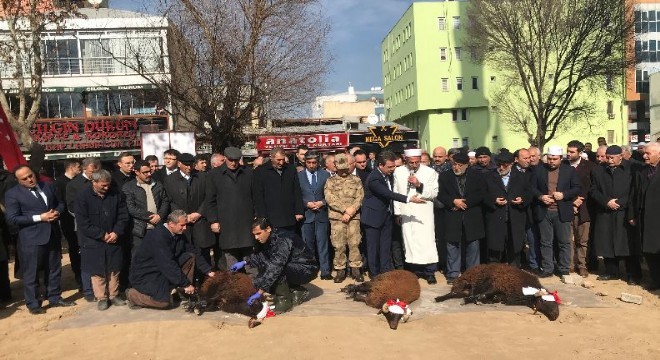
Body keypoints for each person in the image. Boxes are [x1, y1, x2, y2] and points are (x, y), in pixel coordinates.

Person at [5, 165, 75, 314]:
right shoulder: (13, 194)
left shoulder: (47, 186)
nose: (30, 179)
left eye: (31, 175)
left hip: (53, 234)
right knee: (32, 272)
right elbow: (12, 218)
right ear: (18, 180)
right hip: (31, 238)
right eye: (24, 179)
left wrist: (56, 211)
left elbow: (60, 203)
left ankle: (55, 298)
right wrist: (40, 218)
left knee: (54, 269)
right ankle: (33, 303)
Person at [127, 210, 215, 309]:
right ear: (171, 224)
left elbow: (193, 251)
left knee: (190, 256)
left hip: (162, 269)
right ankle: (132, 295)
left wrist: (208, 271)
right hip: (146, 274)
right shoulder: (158, 237)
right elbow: (167, 264)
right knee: (163, 302)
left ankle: (180, 291)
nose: (185, 228)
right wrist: (185, 283)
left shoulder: (178, 234)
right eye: (182, 225)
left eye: (185, 225)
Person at [230, 218, 318, 314]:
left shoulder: (283, 239)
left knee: (275, 269)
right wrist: (245, 262)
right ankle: (297, 292)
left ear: (268, 229)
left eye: (258, 233)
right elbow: (262, 256)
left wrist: (260, 291)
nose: (256, 237)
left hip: (307, 268)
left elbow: (276, 266)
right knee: (267, 269)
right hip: (294, 266)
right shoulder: (268, 238)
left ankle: (284, 301)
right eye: (254, 234)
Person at [360, 151, 425, 278]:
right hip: (373, 218)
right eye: (389, 167)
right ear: (380, 165)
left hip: (386, 217)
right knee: (373, 248)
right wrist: (409, 199)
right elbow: (388, 194)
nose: (392, 169)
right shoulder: (374, 178)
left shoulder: (388, 175)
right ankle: (374, 274)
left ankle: (385, 272)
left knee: (385, 247)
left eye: (393, 166)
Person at [75, 169, 129, 311]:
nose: (106, 188)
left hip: (114, 238)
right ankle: (102, 298)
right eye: (103, 185)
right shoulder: (82, 196)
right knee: (97, 270)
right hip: (93, 241)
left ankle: (114, 295)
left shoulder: (117, 194)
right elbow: (83, 222)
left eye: (108, 185)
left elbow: (123, 216)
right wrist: (101, 235)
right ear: (94, 182)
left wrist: (116, 232)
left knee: (114, 268)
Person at [590, 145, 641, 284]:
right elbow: (593, 190)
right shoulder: (598, 170)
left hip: (624, 212)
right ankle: (611, 271)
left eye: (612, 158)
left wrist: (620, 202)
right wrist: (606, 201)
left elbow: (634, 190)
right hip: (606, 211)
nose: (609, 160)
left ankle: (633, 274)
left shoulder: (632, 169)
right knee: (607, 243)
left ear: (621, 156)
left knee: (627, 244)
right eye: (608, 157)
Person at [530, 145, 582, 277]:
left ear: (560, 158)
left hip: (561, 211)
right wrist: (541, 197)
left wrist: (564, 195)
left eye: (555, 159)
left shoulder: (569, 170)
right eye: (549, 158)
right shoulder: (539, 170)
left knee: (564, 241)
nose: (551, 161)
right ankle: (548, 268)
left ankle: (564, 267)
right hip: (544, 211)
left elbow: (577, 188)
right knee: (545, 242)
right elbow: (532, 188)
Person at [438, 152, 486, 284]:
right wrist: (453, 201)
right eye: (454, 164)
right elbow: (441, 195)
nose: (456, 167)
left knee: (473, 245)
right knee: (452, 245)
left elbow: (481, 194)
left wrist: (463, 203)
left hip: (472, 215)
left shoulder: (477, 175)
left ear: (467, 164)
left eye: (460, 165)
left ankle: (473, 273)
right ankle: (453, 274)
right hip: (452, 214)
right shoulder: (445, 176)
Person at [393, 149, 439, 284]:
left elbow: (433, 193)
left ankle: (430, 272)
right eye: (411, 162)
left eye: (417, 162)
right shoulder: (399, 171)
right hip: (407, 211)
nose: (414, 165)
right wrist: (398, 212)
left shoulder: (430, 172)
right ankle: (413, 272)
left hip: (424, 213)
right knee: (410, 242)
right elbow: (396, 192)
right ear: (405, 160)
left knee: (427, 243)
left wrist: (419, 185)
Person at [205, 147, 255, 269]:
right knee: (232, 264)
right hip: (227, 224)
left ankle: (253, 287)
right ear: (225, 159)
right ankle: (234, 286)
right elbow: (210, 200)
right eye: (231, 160)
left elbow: (256, 196)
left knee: (251, 263)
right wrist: (213, 221)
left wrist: (257, 216)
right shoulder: (214, 175)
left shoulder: (248, 172)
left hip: (246, 223)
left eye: (236, 160)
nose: (233, 163)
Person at [163, 154, 215, 265]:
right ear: (179, 164)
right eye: (186, 165)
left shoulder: (203, 177)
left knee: (203, 253)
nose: (188, 168)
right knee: (185, 253)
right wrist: (184, 216)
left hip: (200, 221)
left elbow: (209, 197)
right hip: (181, 223)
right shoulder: (169, 180)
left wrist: (199, 212)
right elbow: (170, 200)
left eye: (191, 165)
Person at [484, 151, 530, 266]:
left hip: (514, 218)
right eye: (499, 164)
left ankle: (514, 275)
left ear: (511, 164)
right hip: (495, 217)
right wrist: (493, 200)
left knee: (514, 248)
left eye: (504, 165)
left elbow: (530, 193)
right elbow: (482, 195)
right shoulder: (488, 176)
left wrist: (522, 199)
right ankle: (494, 276)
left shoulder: (521, 177)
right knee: (494, 250)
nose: (501, 167)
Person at [324, 153, 365, 283]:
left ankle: (355, 268)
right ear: (335, 166)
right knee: (338, 244)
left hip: (353, 217)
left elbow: (360, 196)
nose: (343, 171)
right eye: (340, 168)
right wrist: (344, 209)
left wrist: (351, 210)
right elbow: (330, 198)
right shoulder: (330, 181)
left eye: (345, 168)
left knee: (354, 243)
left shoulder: (356, 180)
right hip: (337, 218)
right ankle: (340, 270)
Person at [66, 157, 100, 302]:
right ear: (85, 168)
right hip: (83, 227)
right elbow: (71, 207)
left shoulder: (102, 181)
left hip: (103, 226)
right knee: (87, 259)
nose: (96, 173)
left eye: (98, 169)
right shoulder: (74, 184)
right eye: (93, 170)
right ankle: (88, 290)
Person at [123, 160, 170, 256]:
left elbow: (165, 201)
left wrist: (160, 215)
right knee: (139, 257)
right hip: (139, 230)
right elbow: (131, 208)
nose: (149, 174)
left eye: (150, 171)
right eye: (145, 172)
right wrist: (150, 217)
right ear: (136, 172)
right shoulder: (129, 187)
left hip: (158, 227)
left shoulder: (158, 185)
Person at [297, 151, 331, 280]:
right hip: (307, 215)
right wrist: (306, 204)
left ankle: (325, 271)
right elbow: (296, 195)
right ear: (305, 162)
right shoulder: (299, 176)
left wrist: (322, 202)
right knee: (308, 244)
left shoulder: (325, 175)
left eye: (314, 163)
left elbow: (330, 194)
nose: (311, 165)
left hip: (321, 214)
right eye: (309, 163)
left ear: (318, 162)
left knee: (323, 244)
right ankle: (310, 270)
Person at [253, 147, 304, 232]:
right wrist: (262, 216)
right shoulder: (260, 171)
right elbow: (258, 195)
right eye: (278, 160)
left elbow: (296, 191)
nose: (281, 162)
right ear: (271, 158)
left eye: (283, 159)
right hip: (270, 217)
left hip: (289, 215)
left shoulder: (290, 169)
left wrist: (299, 211)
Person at [631, 142, 660, 290]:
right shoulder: (642, 172)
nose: (644, 156)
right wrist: (633, 215)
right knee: (649, 251)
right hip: (645, 218)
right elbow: (634, 195)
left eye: (648, 154)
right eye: (645, 153)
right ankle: (655, 280)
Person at [565, 140, 596, 277]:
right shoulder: (564, 166)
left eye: (572, 152)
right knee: (568, 238)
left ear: (580, 152)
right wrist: (572, 201)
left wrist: (580, 200)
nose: (568, 154)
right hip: (567, 206)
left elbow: (591, 186)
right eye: (568, 151)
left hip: (585, 208)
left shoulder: (590, 166)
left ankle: (582, 265)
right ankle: (569, 264)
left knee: (583, 239)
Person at [54, 159, 82, 287]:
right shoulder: (59, 183)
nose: (80, 169)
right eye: (78, 166)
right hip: (68, 221)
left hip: (81, 221)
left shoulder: (80, 181)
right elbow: (59, 202)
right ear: (71, 167)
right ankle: (78, 274)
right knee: (74, 247)